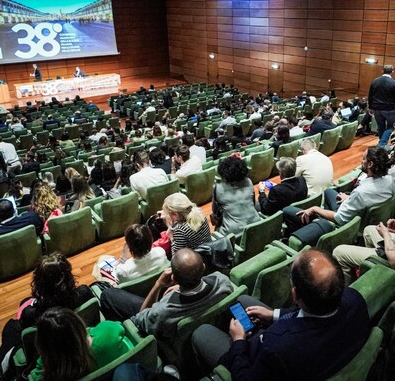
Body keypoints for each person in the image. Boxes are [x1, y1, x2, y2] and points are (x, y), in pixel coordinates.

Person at [191, 250, 370, 380]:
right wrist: (274, 315)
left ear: (295, 294)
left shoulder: (276, 349)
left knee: (201, 332)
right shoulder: (355, 299)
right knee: (245, 299)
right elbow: (314, 311)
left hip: (258, 359)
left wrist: (238, 342)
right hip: (323, 352)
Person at [98, 249, 234, 345]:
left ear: (173, 278)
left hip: (168, 341)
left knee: (108, 295)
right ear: (203, 267)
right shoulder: (223, 281)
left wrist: (158, 284)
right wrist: (180, 287)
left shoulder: (163, 311)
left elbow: (139, 320)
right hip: (205, 332)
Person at [284, 146, 394, 246]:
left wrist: (315, 209)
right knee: (328, 191)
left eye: (364, 158)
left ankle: (321, 224)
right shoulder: (390, 180)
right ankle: (319, 223)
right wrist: (349, 199)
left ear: (370, 164)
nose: (361, 161)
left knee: (287, 210)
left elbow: (340, 218)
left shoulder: (361, 192)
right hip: (359, 214)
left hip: (343, 224)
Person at [28, 307, 132, 381]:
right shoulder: (107, 335)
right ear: (78, 324)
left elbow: (38, 371)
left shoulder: (46, 374)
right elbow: (119, 326)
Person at [99, 224, 168, 285]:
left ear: (129, 246)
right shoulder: (161, 252)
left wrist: (122, 257)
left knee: (102, 260)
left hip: (131, 293)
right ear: (151, 239)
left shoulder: (122, 270)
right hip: (153, 287)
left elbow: (113, 272)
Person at [212, 155, 261, 235]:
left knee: (216, 228)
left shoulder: (218, 187)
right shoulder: (248, 181)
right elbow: (253, 203)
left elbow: (215, 211)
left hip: (234, 232)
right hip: (256, 224)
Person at [368, 64, 395, 147]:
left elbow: (370, 96)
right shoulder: (394, 83)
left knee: (380, 126)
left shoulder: (375, 81)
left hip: (377, 109)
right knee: (391, 126)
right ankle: (382, 144)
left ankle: (381, 142)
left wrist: (370, 107)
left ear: (382, 71)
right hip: (390, 109)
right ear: (392, 71)